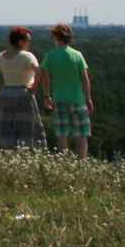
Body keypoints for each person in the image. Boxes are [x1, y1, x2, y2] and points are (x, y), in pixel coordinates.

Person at [0, 26, 45, 149]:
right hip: (23, 94)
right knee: (25, 128)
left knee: (7, 128)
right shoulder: (27, 56)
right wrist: (33, 86)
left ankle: (8, 152)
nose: (29, 43)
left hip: (6, 94)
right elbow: (38, 71)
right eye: (28, 40)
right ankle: (24, 153)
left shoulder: (2, 56)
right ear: (21, 42)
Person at [41, 22, 94, 157]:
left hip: (59, 99)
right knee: (82, 135)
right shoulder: (77, 55)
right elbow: (85, 79)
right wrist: (88, 98)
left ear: (57, 38)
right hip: (78, 99)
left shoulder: (50, 56)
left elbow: (45, 78)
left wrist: (46, 96)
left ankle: (64, 163)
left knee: (62, 134)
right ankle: (81, 163)